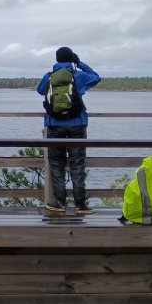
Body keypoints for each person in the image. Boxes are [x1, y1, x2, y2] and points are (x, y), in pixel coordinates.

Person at [36, 47, 101, 215]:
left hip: (54, 125)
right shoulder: (79, 75)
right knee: (77, 163)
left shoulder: (49, 77)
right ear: (71, 58)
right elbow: (96, 77)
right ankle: (80, 205)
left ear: (57, 60)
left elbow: (39, 90)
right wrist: (79, 63)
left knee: (56, 163)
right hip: (78, 124)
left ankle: (59, 203)